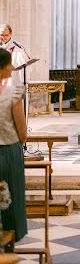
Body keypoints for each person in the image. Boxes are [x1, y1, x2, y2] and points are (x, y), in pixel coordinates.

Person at [0, 47, 28, 241]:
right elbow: (23, 133)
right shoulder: (12, 94)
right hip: (8, 152)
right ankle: (9, 244)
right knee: (9, 201)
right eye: (9, 63)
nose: (12, 67)